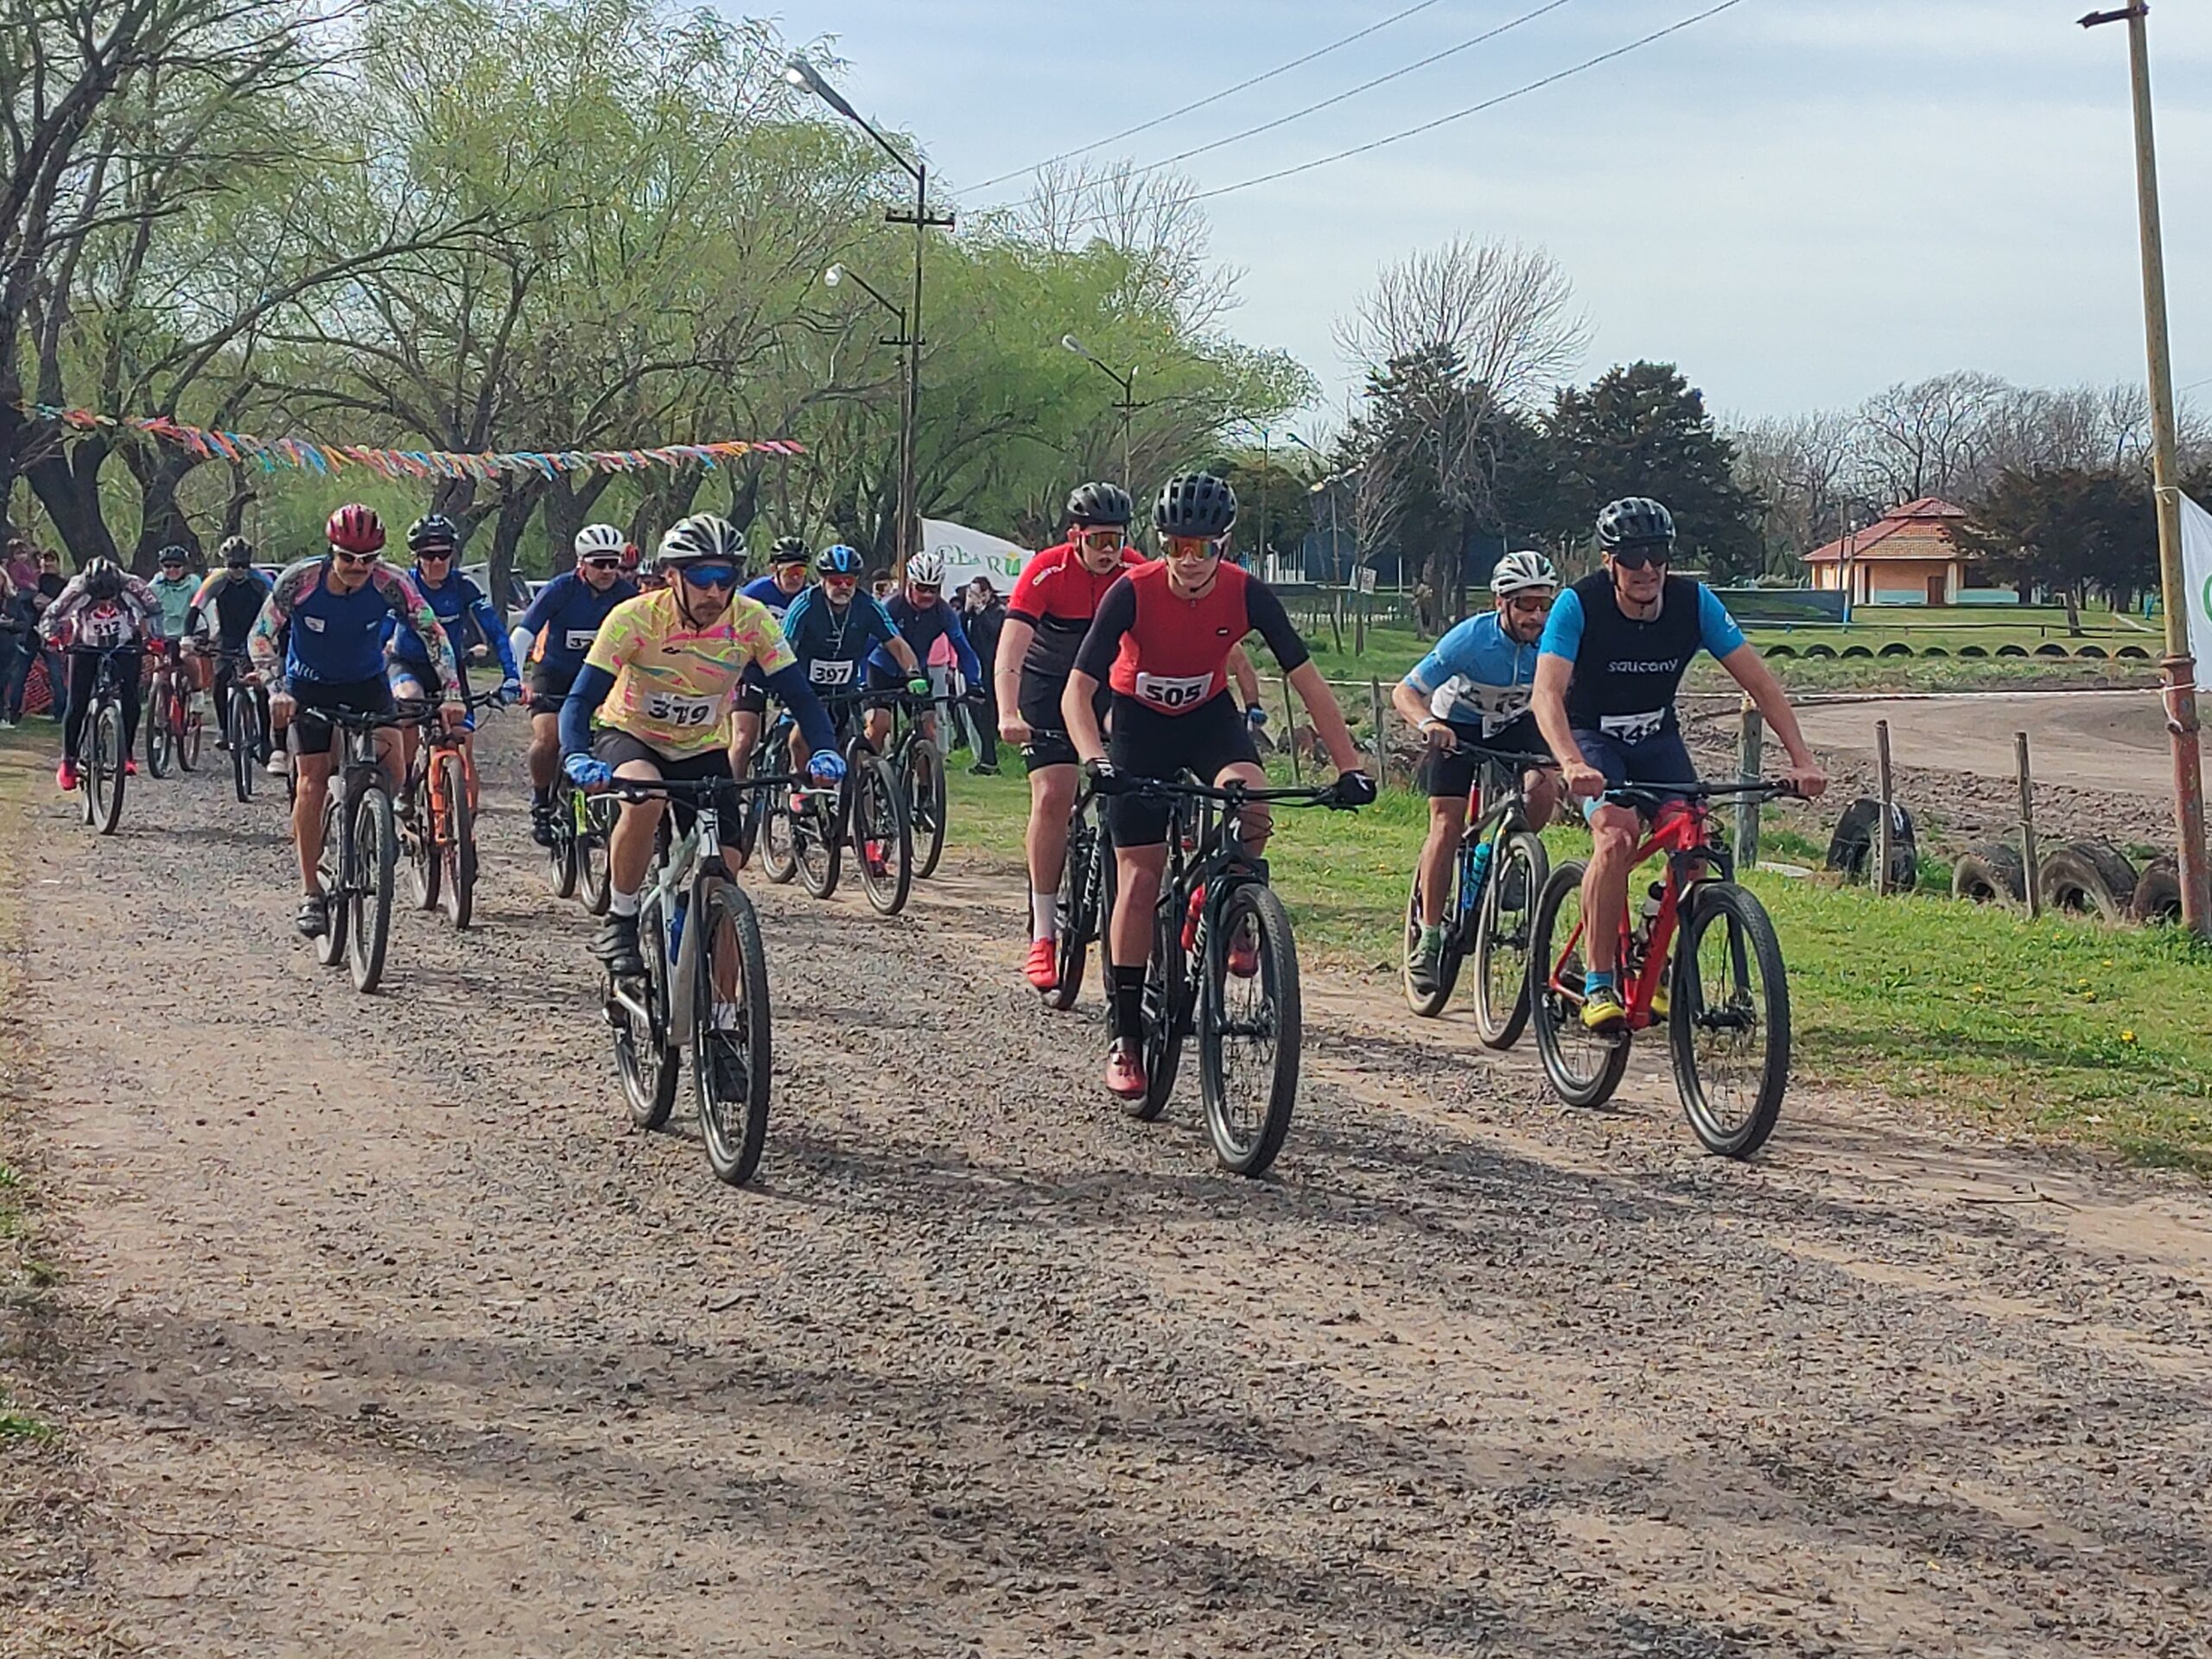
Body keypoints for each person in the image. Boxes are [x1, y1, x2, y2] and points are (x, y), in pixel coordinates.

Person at [1065, 473, 1374, 1100]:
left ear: (1224, 546)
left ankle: (1232, 904)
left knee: (1251, 802)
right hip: (1139, 725)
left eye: (1202, 548)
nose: (1189, 561)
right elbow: (1079, 690)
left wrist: (1351, 767)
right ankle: (1126, 1034)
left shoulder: (1247, 593)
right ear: (1161, 544)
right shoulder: (1131, 590)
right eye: (1177, 547)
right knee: (1141, 877)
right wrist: (1094, 758)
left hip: (1208, 719)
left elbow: (1309, 685)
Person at [1529, 496, 1827, 1033]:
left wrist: (1802, 759)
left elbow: (1760, 684)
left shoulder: (1694, 603)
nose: (1647, 568)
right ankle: (1598, 981)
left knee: (1694, 845)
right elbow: (1546, 694)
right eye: (1632, 556)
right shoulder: (1579, 604)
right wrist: (1570, 762)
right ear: (1609, 561)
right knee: (1616, 837)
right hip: (1592, 738)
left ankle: (1653, 949)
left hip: (1656, 738)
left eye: (1658, 554)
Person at [558, 513, 845, 977]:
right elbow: (580, 700)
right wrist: (575, 753)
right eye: (702, 577)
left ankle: (727, 1010)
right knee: (644, 796)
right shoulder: (635, 618)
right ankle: (622, 916)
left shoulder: (751, 620)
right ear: (672, 576)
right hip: (632, 735)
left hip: (702, 746)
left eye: (726, 578)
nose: (714, 592)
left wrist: (825, 748)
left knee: (727, 871)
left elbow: (800, 695)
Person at [249, 504, 463, 940]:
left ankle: (372, 826)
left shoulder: (390, 583)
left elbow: (433, 632)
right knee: (311, 781)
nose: (358, 567)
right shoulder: (301, 581)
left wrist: (453, 692)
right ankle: (311, 892)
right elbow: (261, 635)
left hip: (367, 682)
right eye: (348, 558)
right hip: (309, 686)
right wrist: (276, 688)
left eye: (368, 559)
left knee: (394, 766)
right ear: (332, 551)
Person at [1392, 550, 1566, 995]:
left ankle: (1509, 856)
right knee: (1446, 825)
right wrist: (1428, 724)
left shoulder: (1555, 641)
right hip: (1458, 725)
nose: (1537, 615)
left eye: (1545, 604)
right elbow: (1405, 691)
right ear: (1500, 602)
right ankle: (1429, 937)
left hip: (1517, 724)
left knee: (1545, 784)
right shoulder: (1470, 639)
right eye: (1526, 604)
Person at [510, 523, 638, 845]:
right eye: (599, 563)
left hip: (601, 677)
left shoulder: (626, 595)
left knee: (612, 737)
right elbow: (522, 635)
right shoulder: (560, 589)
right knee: (549, 737)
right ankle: (541, 803)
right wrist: (515, 679)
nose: (607, 571)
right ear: (582, 563)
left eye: (613, 563)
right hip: (554, 673)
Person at [384, 513, 520, 804]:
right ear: (416, 557)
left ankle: (464, 819)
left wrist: (512, 677)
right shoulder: (405, 586)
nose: (437, 562)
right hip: (408, 664)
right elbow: (381, 630)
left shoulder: (463, 586)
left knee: (462, 739)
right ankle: (406, 784)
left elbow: (497, 633)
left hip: (450, 670)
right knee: (410, 702)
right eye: (429, 556)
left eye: (444, 555)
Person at [779, 545, 928, 754]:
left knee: (854, 746)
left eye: (849, 581)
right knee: (801, 738)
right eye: (836, 581)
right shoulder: (805, 604)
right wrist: (783, 682)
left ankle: (860, 775)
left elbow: (896, 643)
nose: (843, 586)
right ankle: (798, 775)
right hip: (807, 688)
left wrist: (913, 673)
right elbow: (785, 647)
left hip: (845, 689)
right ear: (822, 580)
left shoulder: (867, 606)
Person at [39, 556, 162, 789]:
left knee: (131, 696)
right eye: (99, 599)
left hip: (124, 643)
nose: (105, 603)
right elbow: (51, 615)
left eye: (110, 598)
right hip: (86, 645)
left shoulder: (133, 585)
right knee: (77, 701)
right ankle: (69, 761)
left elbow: (155, 610)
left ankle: (127, 753)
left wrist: (156, 638)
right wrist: (51, 636)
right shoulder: (77, 588)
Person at [861, 550, 980, 752]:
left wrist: (974, 683)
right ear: (910, 584)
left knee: (929, 728)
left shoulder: (943, 612)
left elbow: (964, 649)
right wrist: (860, 679)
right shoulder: (891, 606)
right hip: (881, 670)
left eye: (934, 589)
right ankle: (866, 767)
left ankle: (926, 771)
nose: (928, 595)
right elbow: (866, 647)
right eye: (922, 588)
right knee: (880, 725)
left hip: (917, 672)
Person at [728, 534, 812, 783]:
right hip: (751, 670)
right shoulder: (754, 594)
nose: (796, 577)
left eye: (801, 571)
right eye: (791, 571)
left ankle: (798, 788)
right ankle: (731, 794)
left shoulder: (809, 597)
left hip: (787, 670)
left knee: (803, 735)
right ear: (774, 569)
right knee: (744, 739)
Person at [187, 537, 277, 768]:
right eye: (234, 566)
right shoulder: (216, 579)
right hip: (227, 635)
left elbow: (278, 607)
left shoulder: (261, 579)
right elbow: (196, 608)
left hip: (256, 634)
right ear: (226, 563)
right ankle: (224, 729)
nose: (239, 571)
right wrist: (187, 637)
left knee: (261, 684)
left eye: (243, 566)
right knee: (220, 678)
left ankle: (265, 739)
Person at [959, 576, 1007, 774]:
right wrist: (966, 611)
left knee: (986, 713)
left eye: (977, 594)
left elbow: (994, 632)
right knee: (973, 713)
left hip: (991, 669)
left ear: (987, 593)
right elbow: (959, 632)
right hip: (973, 668)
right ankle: (982, 756)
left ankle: (990, 758)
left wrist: (981, 610)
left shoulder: (998, 612)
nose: (974, 598)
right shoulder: (970, 615)